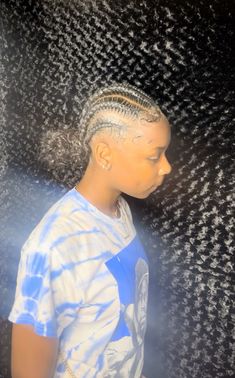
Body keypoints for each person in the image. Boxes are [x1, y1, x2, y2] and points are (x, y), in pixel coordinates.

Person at [9, 82, 172, 378]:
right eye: (154, 156)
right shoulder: (52, 248)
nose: (166, 167)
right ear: (104, 154)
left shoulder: (120, 212)